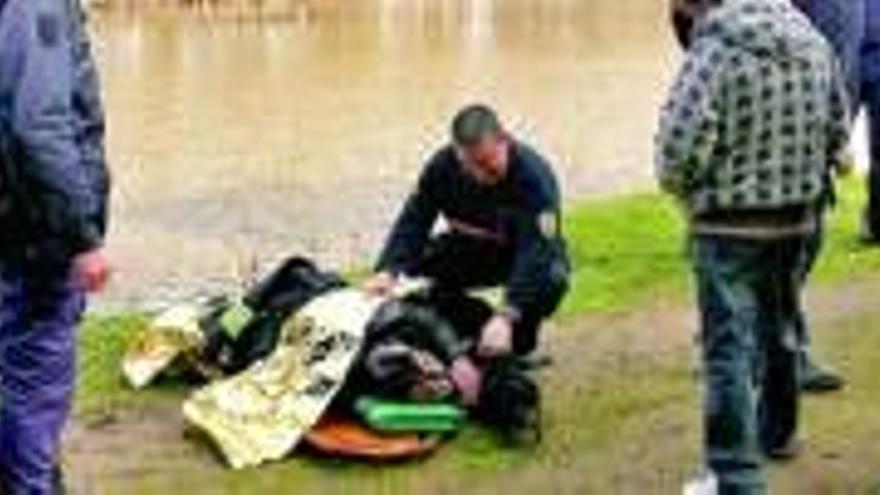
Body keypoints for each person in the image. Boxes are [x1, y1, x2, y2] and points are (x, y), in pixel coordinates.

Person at [659, 0, 850, 493]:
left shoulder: (715, 48)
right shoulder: (811, 37)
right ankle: (777, 434)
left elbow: (678, 148)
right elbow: (839, 131)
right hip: (798, 222)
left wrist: (688, 193)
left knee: (727, 351)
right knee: (780, 330)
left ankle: (736, 479)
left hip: (727, 228)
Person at [363, 104, 570, 397]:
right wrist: (388, 270)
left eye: (488, 162)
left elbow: (536, 252)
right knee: (417, 273)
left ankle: (515, 344)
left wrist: (507, 315)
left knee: (553, 277)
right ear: (456, 152)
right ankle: (465, 332)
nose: (479, 174)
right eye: (470, 164)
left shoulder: (534, 178)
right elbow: (415, 219)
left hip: (524, 253)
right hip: (474, 249)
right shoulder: (441, 167)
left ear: (504, 141)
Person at [0, 0, 111, 493]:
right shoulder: (37, 4)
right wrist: (81, 238)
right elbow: (38, 127)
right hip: (35, 247)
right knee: (33, 392)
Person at [788, 0, 864, 393]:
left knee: (802, 245)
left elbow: (845, 53)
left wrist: (838, 136)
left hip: (817, 124)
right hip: (769, 112)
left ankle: (787, 350)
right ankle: (738, 344)